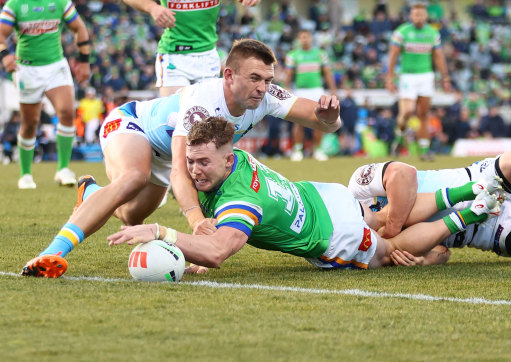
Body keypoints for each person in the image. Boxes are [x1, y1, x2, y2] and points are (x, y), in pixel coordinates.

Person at [20, 39, 342, 277]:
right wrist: (196, 223)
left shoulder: (266, 97)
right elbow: (180, 171)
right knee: (134, 177)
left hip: (167, 154)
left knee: (131, 218)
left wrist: (330, 116)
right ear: (229, 75)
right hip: (134, 126)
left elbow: (321, 120)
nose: (263, 87)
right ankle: (52, 254)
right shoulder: (204, 100)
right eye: (255, 78)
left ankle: (91, 194)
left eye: (268, 80)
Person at [106, 117, 500, 272]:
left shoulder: (239, 200)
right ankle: (468, 189)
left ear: (227, 162)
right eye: (191, 161)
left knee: (391, 251)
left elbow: (219, 249)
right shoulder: (235, 157)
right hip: (320, 194)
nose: (194, 170)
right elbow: (214, 231)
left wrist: (161, 232)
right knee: (381, 219)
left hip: (332, 234)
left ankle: (471, 213)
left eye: (204, 163)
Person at [348, 128, 511, 264]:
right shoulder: (363, 245)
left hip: (485, 177)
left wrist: (391, 230)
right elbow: (441, 252)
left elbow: (403, 174)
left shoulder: (357, 187)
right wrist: (423, 261)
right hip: (488, 231)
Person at [0, 0, 91, 189]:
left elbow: (79, 28)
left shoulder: (60, 2)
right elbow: (1, 33)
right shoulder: (15, 5)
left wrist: (84, 61)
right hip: (26, 68)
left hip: (55, 66)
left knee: (67, 111)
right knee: (30, 123)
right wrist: (5, 55)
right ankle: (25, 174)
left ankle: (63, 169)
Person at [122, 0, 260, 97]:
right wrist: (153, 7)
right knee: (174, 119)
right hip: (174, 56)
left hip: (207, 55)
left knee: (206, 124)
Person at [385, 3, 450, 161]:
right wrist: (390, 77)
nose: (418, 18)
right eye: (415, 15)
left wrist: (445, 77)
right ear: (410, 16)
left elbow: (438, 56)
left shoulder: (433, 33)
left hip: (426, 76)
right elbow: (393, 56)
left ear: (426, 16)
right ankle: (400, 136)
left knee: (424, 114)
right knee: (407, 111)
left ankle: (424, 149)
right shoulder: (402, 32)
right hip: (408, 76)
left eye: (421, 15)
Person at [286, 29, 337, 161]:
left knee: (319, 121)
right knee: (298, 122)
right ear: (298, 39)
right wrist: (287, 88)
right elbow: (289, 74)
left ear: (311, 39)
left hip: (317, 90)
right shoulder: (293, 55)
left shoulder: (320, 54)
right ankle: (297, 150)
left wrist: (332, 89)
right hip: (300, 91)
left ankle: (318, 150)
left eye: (307, 37)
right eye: (302, 37)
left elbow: (327, 73)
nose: (305, 40)